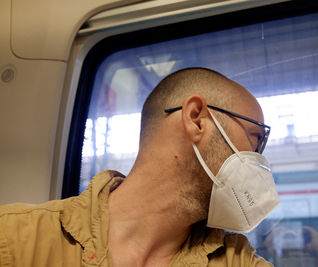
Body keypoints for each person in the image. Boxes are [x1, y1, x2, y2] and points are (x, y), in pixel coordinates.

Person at [0, 67, 279, 267]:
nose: (257, 159)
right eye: (255, 139)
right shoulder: (15, 240)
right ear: (196, 120)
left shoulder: (236, 259)